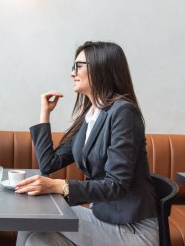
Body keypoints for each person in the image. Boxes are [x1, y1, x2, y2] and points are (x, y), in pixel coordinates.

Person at [15, 41, 159, 246]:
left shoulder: (123, 112)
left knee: (34, 216)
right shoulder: (90, 117)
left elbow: (116, 185)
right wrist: (44, 113)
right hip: (103, 219)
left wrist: (58, 186)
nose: (72, 73)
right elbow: (48, 164)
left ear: (101, 67)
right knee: (36, 238)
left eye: (78, 66)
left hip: (132, 230)